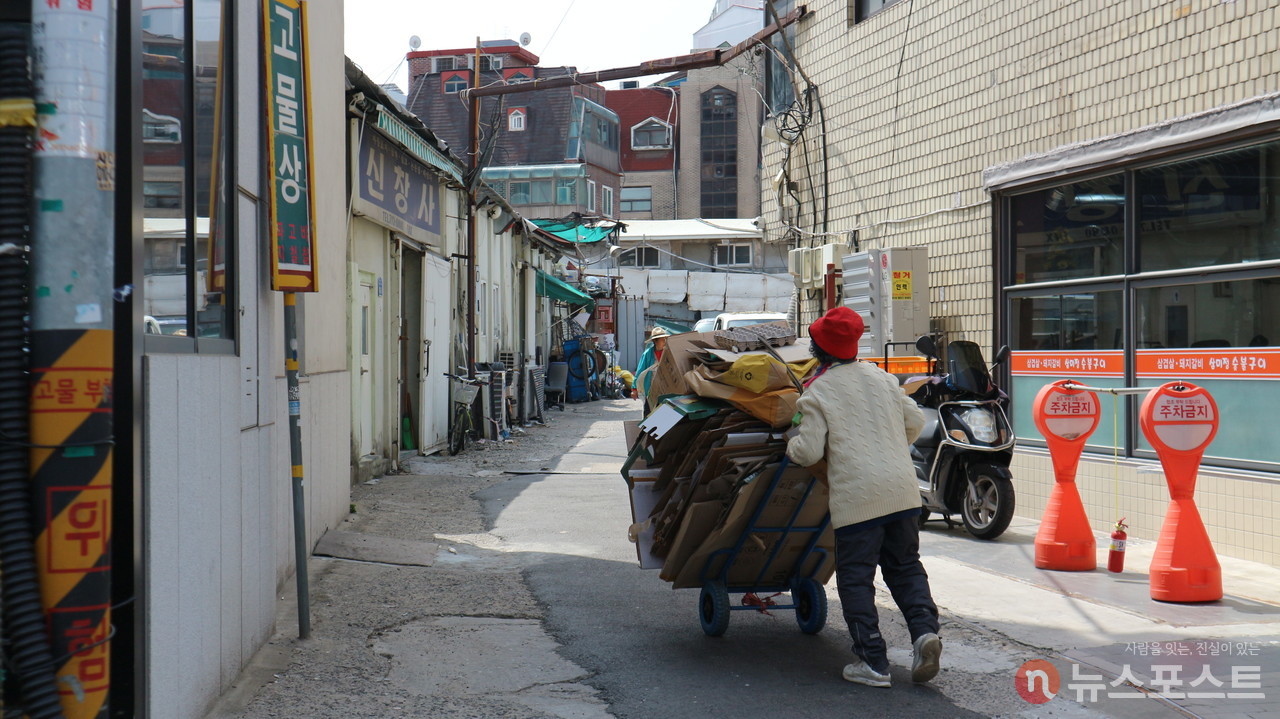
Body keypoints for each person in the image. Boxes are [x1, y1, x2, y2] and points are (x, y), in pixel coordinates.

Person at [785, 306, 942, 688]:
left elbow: (808, 452)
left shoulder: (818, 390)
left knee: (856, 579)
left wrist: (790, 444)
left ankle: (872, 661)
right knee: (905, 567)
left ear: (819, 349)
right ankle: (924, 633)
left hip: (859, 498)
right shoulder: (882, 377)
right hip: (902, 492)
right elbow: (915, 421)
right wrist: (886, 447)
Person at [631, 326, 669, 405]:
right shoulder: (647, 354)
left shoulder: (668, 353)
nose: (665, 342)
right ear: (655, 341)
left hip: (665, 388)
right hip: (650, 388)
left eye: (665, 339)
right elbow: (640, 371)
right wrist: (634, 389)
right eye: (662, 340)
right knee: (649, 409)